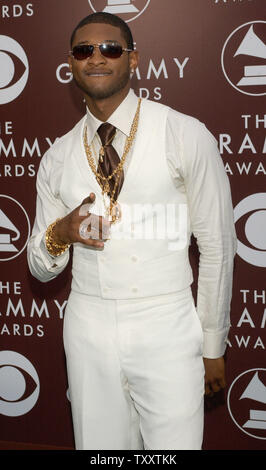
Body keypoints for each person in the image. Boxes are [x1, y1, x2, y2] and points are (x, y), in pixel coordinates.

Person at [27, 12, 237, 450]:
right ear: (71, 62)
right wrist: (62, 232)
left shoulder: (183, 134)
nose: (96, 58)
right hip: (87, 326)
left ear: (133, 59)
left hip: (168, 322)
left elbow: (217, 246)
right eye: (84, 51)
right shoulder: (58, 156)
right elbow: (40, 268)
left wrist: (213, 343)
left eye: (110, 49)